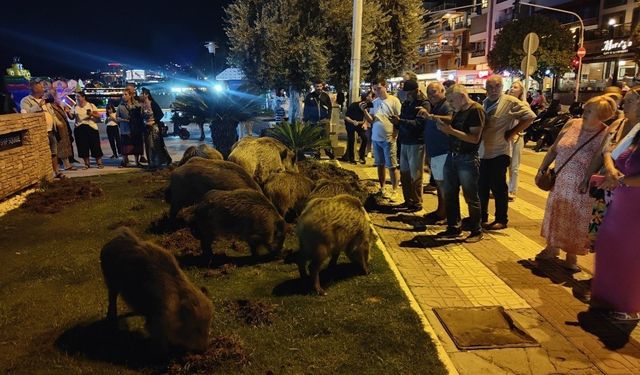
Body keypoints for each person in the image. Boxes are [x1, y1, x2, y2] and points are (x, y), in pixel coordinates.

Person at [535, 96, 615, 271]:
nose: (584, 113)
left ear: (601, 115)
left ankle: (571, 256)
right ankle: (551, 248)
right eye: (585, 109)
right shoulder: (572, 123)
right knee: (556, 213)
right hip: (560, 178)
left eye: (589, 111)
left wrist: (588, 179)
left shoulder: (605, 133)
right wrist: (543, 167)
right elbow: (554, 148)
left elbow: (600, 159)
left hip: (581, 184)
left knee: (576, 219)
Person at [590, 130, 640, 321]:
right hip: (619, 204)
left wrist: (621, 180)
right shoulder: (636, 133)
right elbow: (610, 152)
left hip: (635, 209)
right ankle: (607, 299)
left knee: (630, 255)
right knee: (608, 247)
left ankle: (630, 306)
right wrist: (611, 171)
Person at [479, 76, 536, 230]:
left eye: (497, 86)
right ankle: (481, 216)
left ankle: (501, 219)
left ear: (502, 86)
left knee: (498, 187)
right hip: (484, 151)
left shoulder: (510, 101)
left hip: (500, 151)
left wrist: (512, 133)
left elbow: (530, 116)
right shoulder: (485, 103)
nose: (493, 90)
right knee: (482, 186)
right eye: (489, 87)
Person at [436, 84, 485, 243]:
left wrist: (450, 131)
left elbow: (474, 138)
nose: (450, 104)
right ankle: (453, 227)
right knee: (449, 193)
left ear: (462, 97)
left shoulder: (475, 110)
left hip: (467, 158)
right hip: (453, 156)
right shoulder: (459, 110)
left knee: (470, 196)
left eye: (451, 100)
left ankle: (476, 230)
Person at [361, 78, 402, 201]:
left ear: (385, 87)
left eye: (378, 88)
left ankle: (395, 189)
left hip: (389, 138)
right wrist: (364, 111)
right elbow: (372, 120)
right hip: (376, 137)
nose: (377, 91)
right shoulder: (375, 102)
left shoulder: (394, 101)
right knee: (380, 164)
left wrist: (395, 134)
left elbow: (399, 119)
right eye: (374, 89)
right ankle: (382, 187)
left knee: (392, 165)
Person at [392, 79, 429, 211]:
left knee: (416, 175)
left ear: (415, 91)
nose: (406, 95)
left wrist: (400, 121)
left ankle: (417, 202)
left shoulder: (423, 104)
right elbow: (402, 122)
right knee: (405, 174)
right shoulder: (406, 104)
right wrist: (396, 122)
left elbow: (419, 124)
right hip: (404, 142)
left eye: (408, 92)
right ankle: (408, 201)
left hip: (416, 143)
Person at [420, 82, 454, 223]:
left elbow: (451, 119)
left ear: (442, 91)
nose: (431, 95)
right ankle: (440, 211)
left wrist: (431, 117)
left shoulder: (447, 105)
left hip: (443, 152)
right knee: (439, 185)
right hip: (435, 152)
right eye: (429, 93)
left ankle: (445, 214)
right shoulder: (436, 106)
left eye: (434, 92)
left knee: (444, 185)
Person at [20, 81, 64, 178]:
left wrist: (57, 122)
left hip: (51, 131)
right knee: (42, 153)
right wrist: (38, 105)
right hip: (38, 132)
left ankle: (56, 172)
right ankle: (45, 174)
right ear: (35, 89)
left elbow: (51, 113)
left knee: (54, 152)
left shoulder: (45, 100)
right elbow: (25, 114)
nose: (43, 89)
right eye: (41, 87)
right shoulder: (26, 100)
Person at [506, 81, 530, 201]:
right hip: (505, 138)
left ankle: (512, 191)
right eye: (511, 87)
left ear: (521, 91)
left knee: (514, 166)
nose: (512, 89)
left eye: (515, 87)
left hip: (517, 138)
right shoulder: (506, 103)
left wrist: (516, 132)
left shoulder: (523, 104)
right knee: (504, 165)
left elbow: (528, 120)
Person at [303, 80, 334, 159]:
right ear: (314, 87)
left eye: (320, 86)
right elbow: (306, 109)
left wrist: (328, 118)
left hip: (324, 120)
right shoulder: (309, 96)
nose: (319, 88)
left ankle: (328, 152)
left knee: (326, 138)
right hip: (313, 121)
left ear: (322, 86)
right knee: (315, 138)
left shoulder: (325, 96)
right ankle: (316, 154)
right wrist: (306, 119)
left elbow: (330, 108)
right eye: (317, 86)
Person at [72, 91, 103, 169]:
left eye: (78, 96)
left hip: (91, 127)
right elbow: (72, 117)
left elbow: (98, 116)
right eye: (76, 97)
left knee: (95, 145)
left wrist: (91, 114)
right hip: (80, 128)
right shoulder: (75, 106)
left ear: (83, 97)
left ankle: (99, 163)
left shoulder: (91, 105)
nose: (77, 98)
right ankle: (87, 164)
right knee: (82, 146)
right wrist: (68, 113)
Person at [140, 92, 172, 169]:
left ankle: (158, 161)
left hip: (154, 128)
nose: (141, 95)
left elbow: (161, 114)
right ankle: (151, 162)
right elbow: (141, 116)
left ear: (147, 95)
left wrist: (154, 121)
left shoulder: (153, 104)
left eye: (143, 93)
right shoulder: (142, 105)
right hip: (146, 127)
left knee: (155, 145)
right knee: (148, 145)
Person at [47, 90, 75, 171]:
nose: (59, 98)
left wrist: (67, 111)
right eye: (57, 97)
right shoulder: (50, 106)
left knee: (64, 147)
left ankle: (67, 165)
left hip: (64, 129)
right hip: (57, 130)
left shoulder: (60, 106)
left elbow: (69, 117)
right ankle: (58, 167)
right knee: (58, 148)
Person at [342, 92, 371, 164]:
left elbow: (365, 118)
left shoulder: (368, 107)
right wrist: (353, 121)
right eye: (369, 96)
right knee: (351, 140)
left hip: (359, 124)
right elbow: (346, 117)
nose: (371, 98)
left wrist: (362, 123)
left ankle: (361, 156)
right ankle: (351, 158)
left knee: (365, 138)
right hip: (350, 124)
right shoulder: (354, 105)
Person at [116, 90, 141, 167]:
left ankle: (137, 162)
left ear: (130, 96)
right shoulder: (120, 106)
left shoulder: (136, 105)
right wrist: (124, 120)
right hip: (125, 129)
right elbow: (117, 118)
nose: (123, 96)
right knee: (125, 147)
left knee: (136, 146)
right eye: (123, 94)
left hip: (135, 129)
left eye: (125, 94)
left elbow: (140, 115)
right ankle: (124, 161)